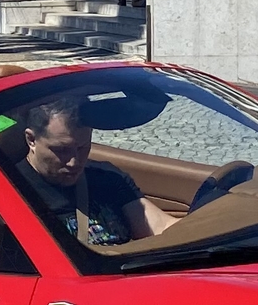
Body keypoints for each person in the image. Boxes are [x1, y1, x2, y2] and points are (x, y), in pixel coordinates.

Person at [11, 95, 179, 248]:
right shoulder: (11, 191)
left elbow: (161, 227)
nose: (74, 161)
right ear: (31, 140)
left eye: (83, 147)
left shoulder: (107, 178)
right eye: (62, 150)